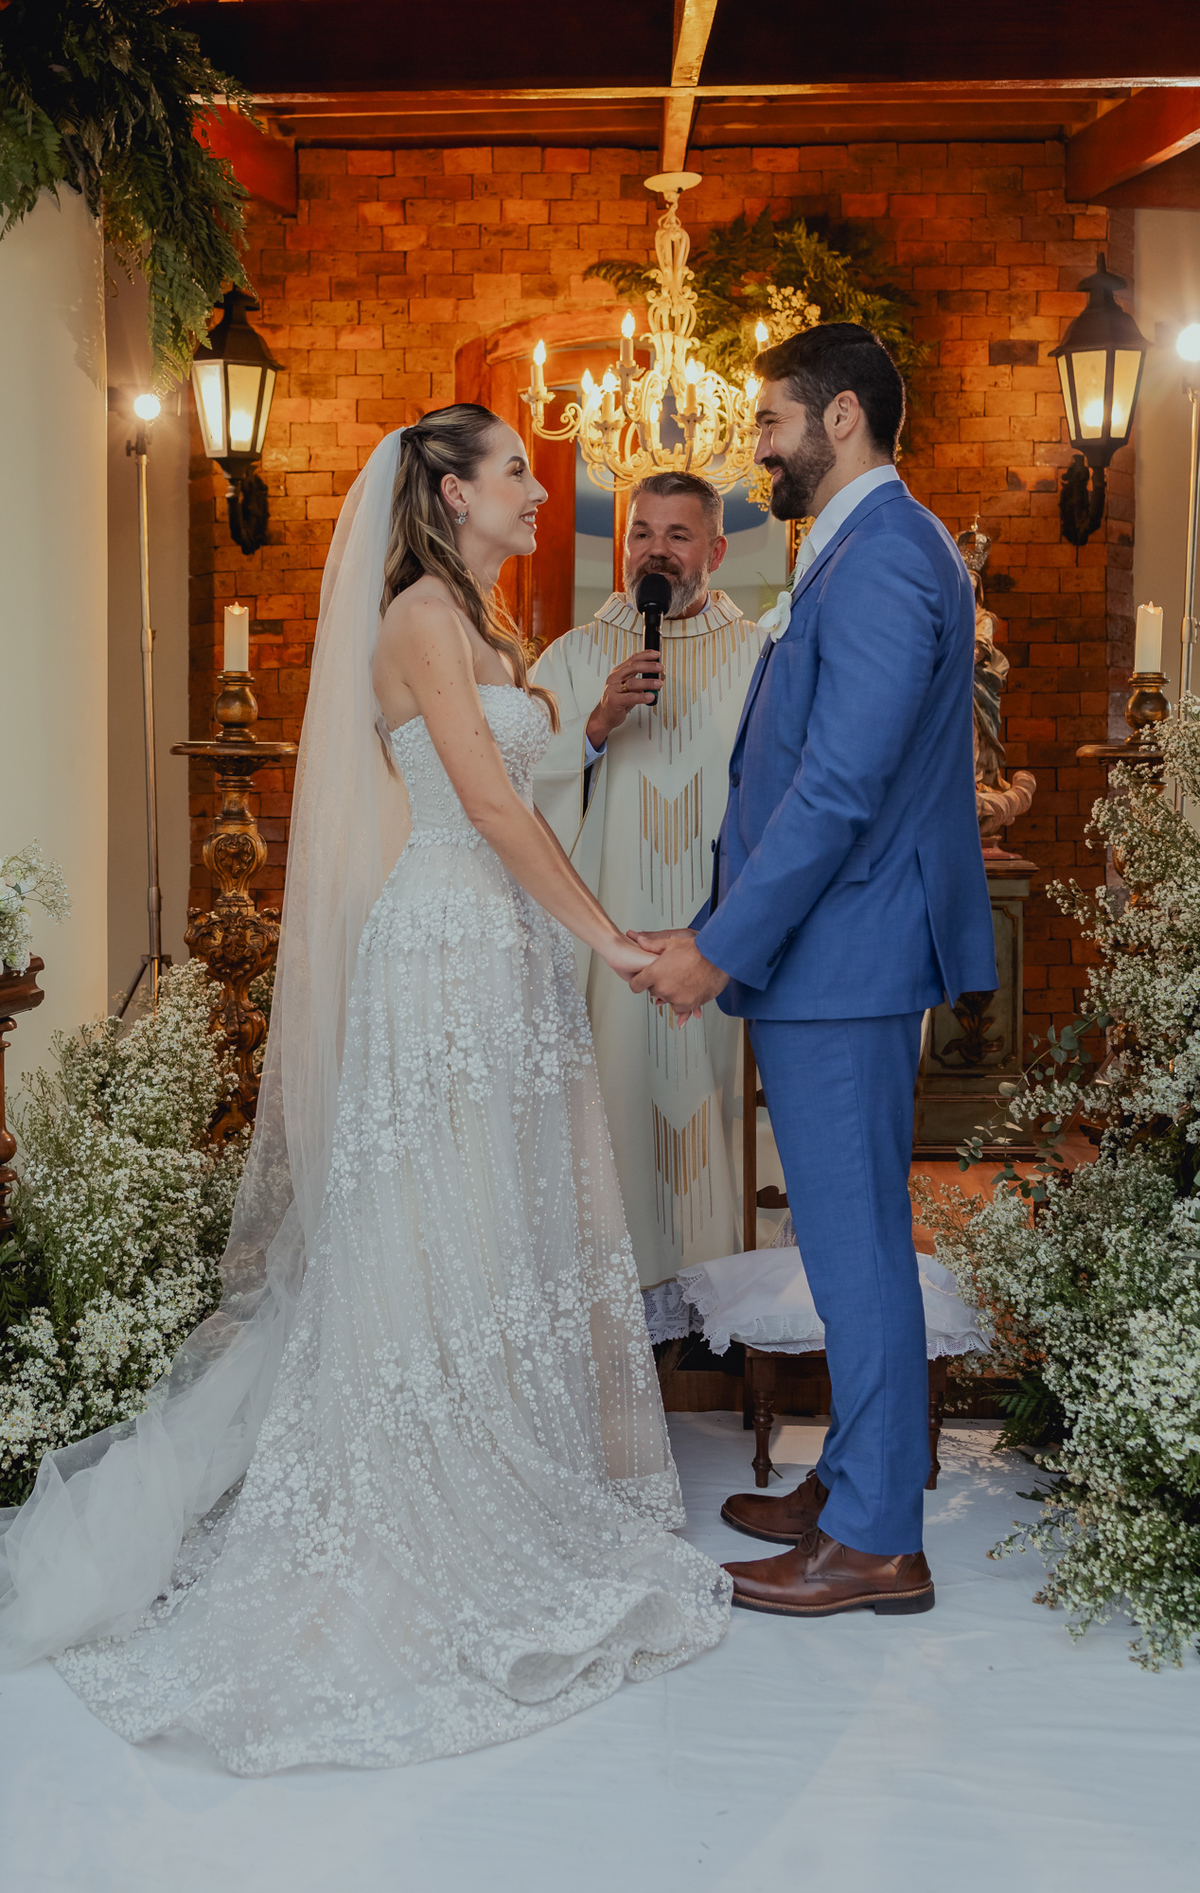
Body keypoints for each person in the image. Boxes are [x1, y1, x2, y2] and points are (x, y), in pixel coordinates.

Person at [0, 407, 730, 1772]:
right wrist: (617, 942)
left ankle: (502, 1462)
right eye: (515, 472)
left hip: (502, 953)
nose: (539, 491)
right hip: (447, 946)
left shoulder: (486, 625)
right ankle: (421, 1501)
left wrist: (574, 819)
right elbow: (491, 810)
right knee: (433, 1222)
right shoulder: (416, 619)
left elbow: (526, 778)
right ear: (450, 493)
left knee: (495, 1221)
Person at [633, 325, 997, 1618]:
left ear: (841, 416)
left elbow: (840, 789)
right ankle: (851, 1481)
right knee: (847, 1243)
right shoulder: (855, 545)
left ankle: (878, 1539)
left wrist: (720, 945)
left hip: (845, 955)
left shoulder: (887, 554)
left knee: (856, 1251)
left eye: (771, 421)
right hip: (830, 951)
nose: (760, 448)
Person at [532, 473, 773, 1299]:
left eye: (678, 535)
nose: (656, 552)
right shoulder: (572, 656)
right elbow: (510, 792)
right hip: (611, 937)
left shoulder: (762, 658)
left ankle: (720, 1314)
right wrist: (595, 726)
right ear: (622, 545)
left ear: (717, 550)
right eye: (642, 533)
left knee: (715, 1112)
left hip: (721, 939)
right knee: (614, 1109)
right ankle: (615, 1311)